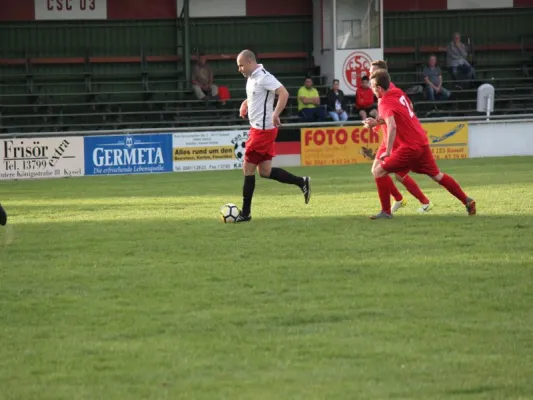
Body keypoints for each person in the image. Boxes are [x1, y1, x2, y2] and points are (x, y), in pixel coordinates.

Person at [367, 69, 476, 219]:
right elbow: (406, 109)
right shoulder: (398, 92)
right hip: (421, 142)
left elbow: (392, 126)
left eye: (373, 87)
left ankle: (386, 211)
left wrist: (388, 150)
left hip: (409, 147)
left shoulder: (384, 102)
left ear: (379, 88)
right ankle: (467, 200)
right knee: (437, 176)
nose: (372, 90)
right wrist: (378, 121)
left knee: (379, 172)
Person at [235, 50, 311, 223]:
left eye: (240, 65)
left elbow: (283, 93)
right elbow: (257, 96)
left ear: (249, 61)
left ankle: (245, 213)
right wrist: (245, 103)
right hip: (259, 129)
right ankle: (302, 182)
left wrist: (276, 113)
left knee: (247, 170)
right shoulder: (251, 78)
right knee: (265, 172)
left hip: (262, 131)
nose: (239, 69)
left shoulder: (264, 76)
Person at [365, 59, 432, 214]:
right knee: (377, 171)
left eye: (372, 71)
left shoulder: (389, 90)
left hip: (395, 138)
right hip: (387, 135)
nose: (370, 74)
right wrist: (377, 122)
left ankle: (423, 202)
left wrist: (378, 122)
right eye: (370, 72)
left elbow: (400, 113)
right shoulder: (380, 89)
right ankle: (400, 199)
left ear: (382, 72)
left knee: (395, 174)